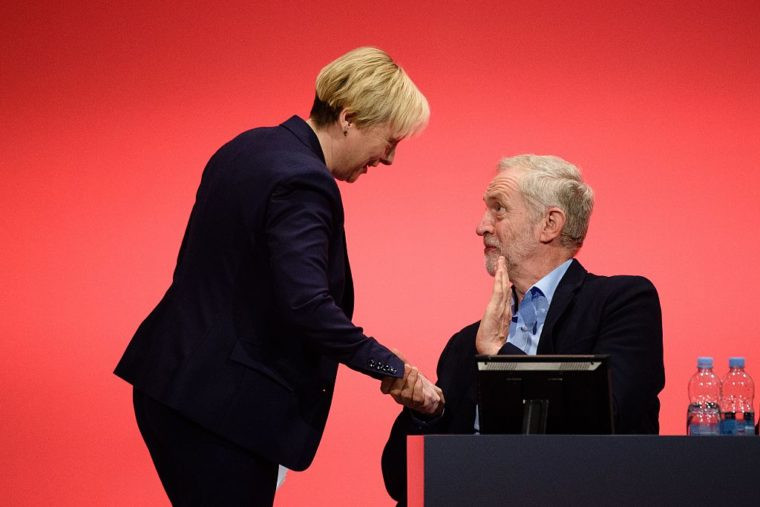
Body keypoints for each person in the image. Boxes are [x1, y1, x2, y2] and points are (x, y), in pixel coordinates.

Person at [114, 47, 443, 505]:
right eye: (390, 141)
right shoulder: (304, 181)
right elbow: (307, 305)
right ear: (348, 118)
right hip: (218, 410)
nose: (387, 159)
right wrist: (392, 367)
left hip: (174, 385)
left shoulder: (249, 146)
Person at [381, 154, 665, 504]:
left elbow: (606, 424)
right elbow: (402, 485)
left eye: (498, 209)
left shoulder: (621, 303)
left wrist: (500, 356)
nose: (481, 226)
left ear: (549, 224)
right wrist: (426, 412)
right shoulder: (463, 345)